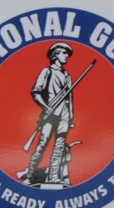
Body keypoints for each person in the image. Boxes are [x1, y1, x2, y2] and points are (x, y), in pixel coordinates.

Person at [21, 42, 76, 187]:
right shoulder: (47, 71)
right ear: (56, 54)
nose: (66, 57)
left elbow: (70, 99)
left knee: (59, 146)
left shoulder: (68, 76)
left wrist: (70, 116)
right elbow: (36, 92)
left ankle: (53, 178)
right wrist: (46, 107)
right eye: (64, 53)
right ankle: (30, 176)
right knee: (42, 144)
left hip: (64, 114)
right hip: (50, 114)